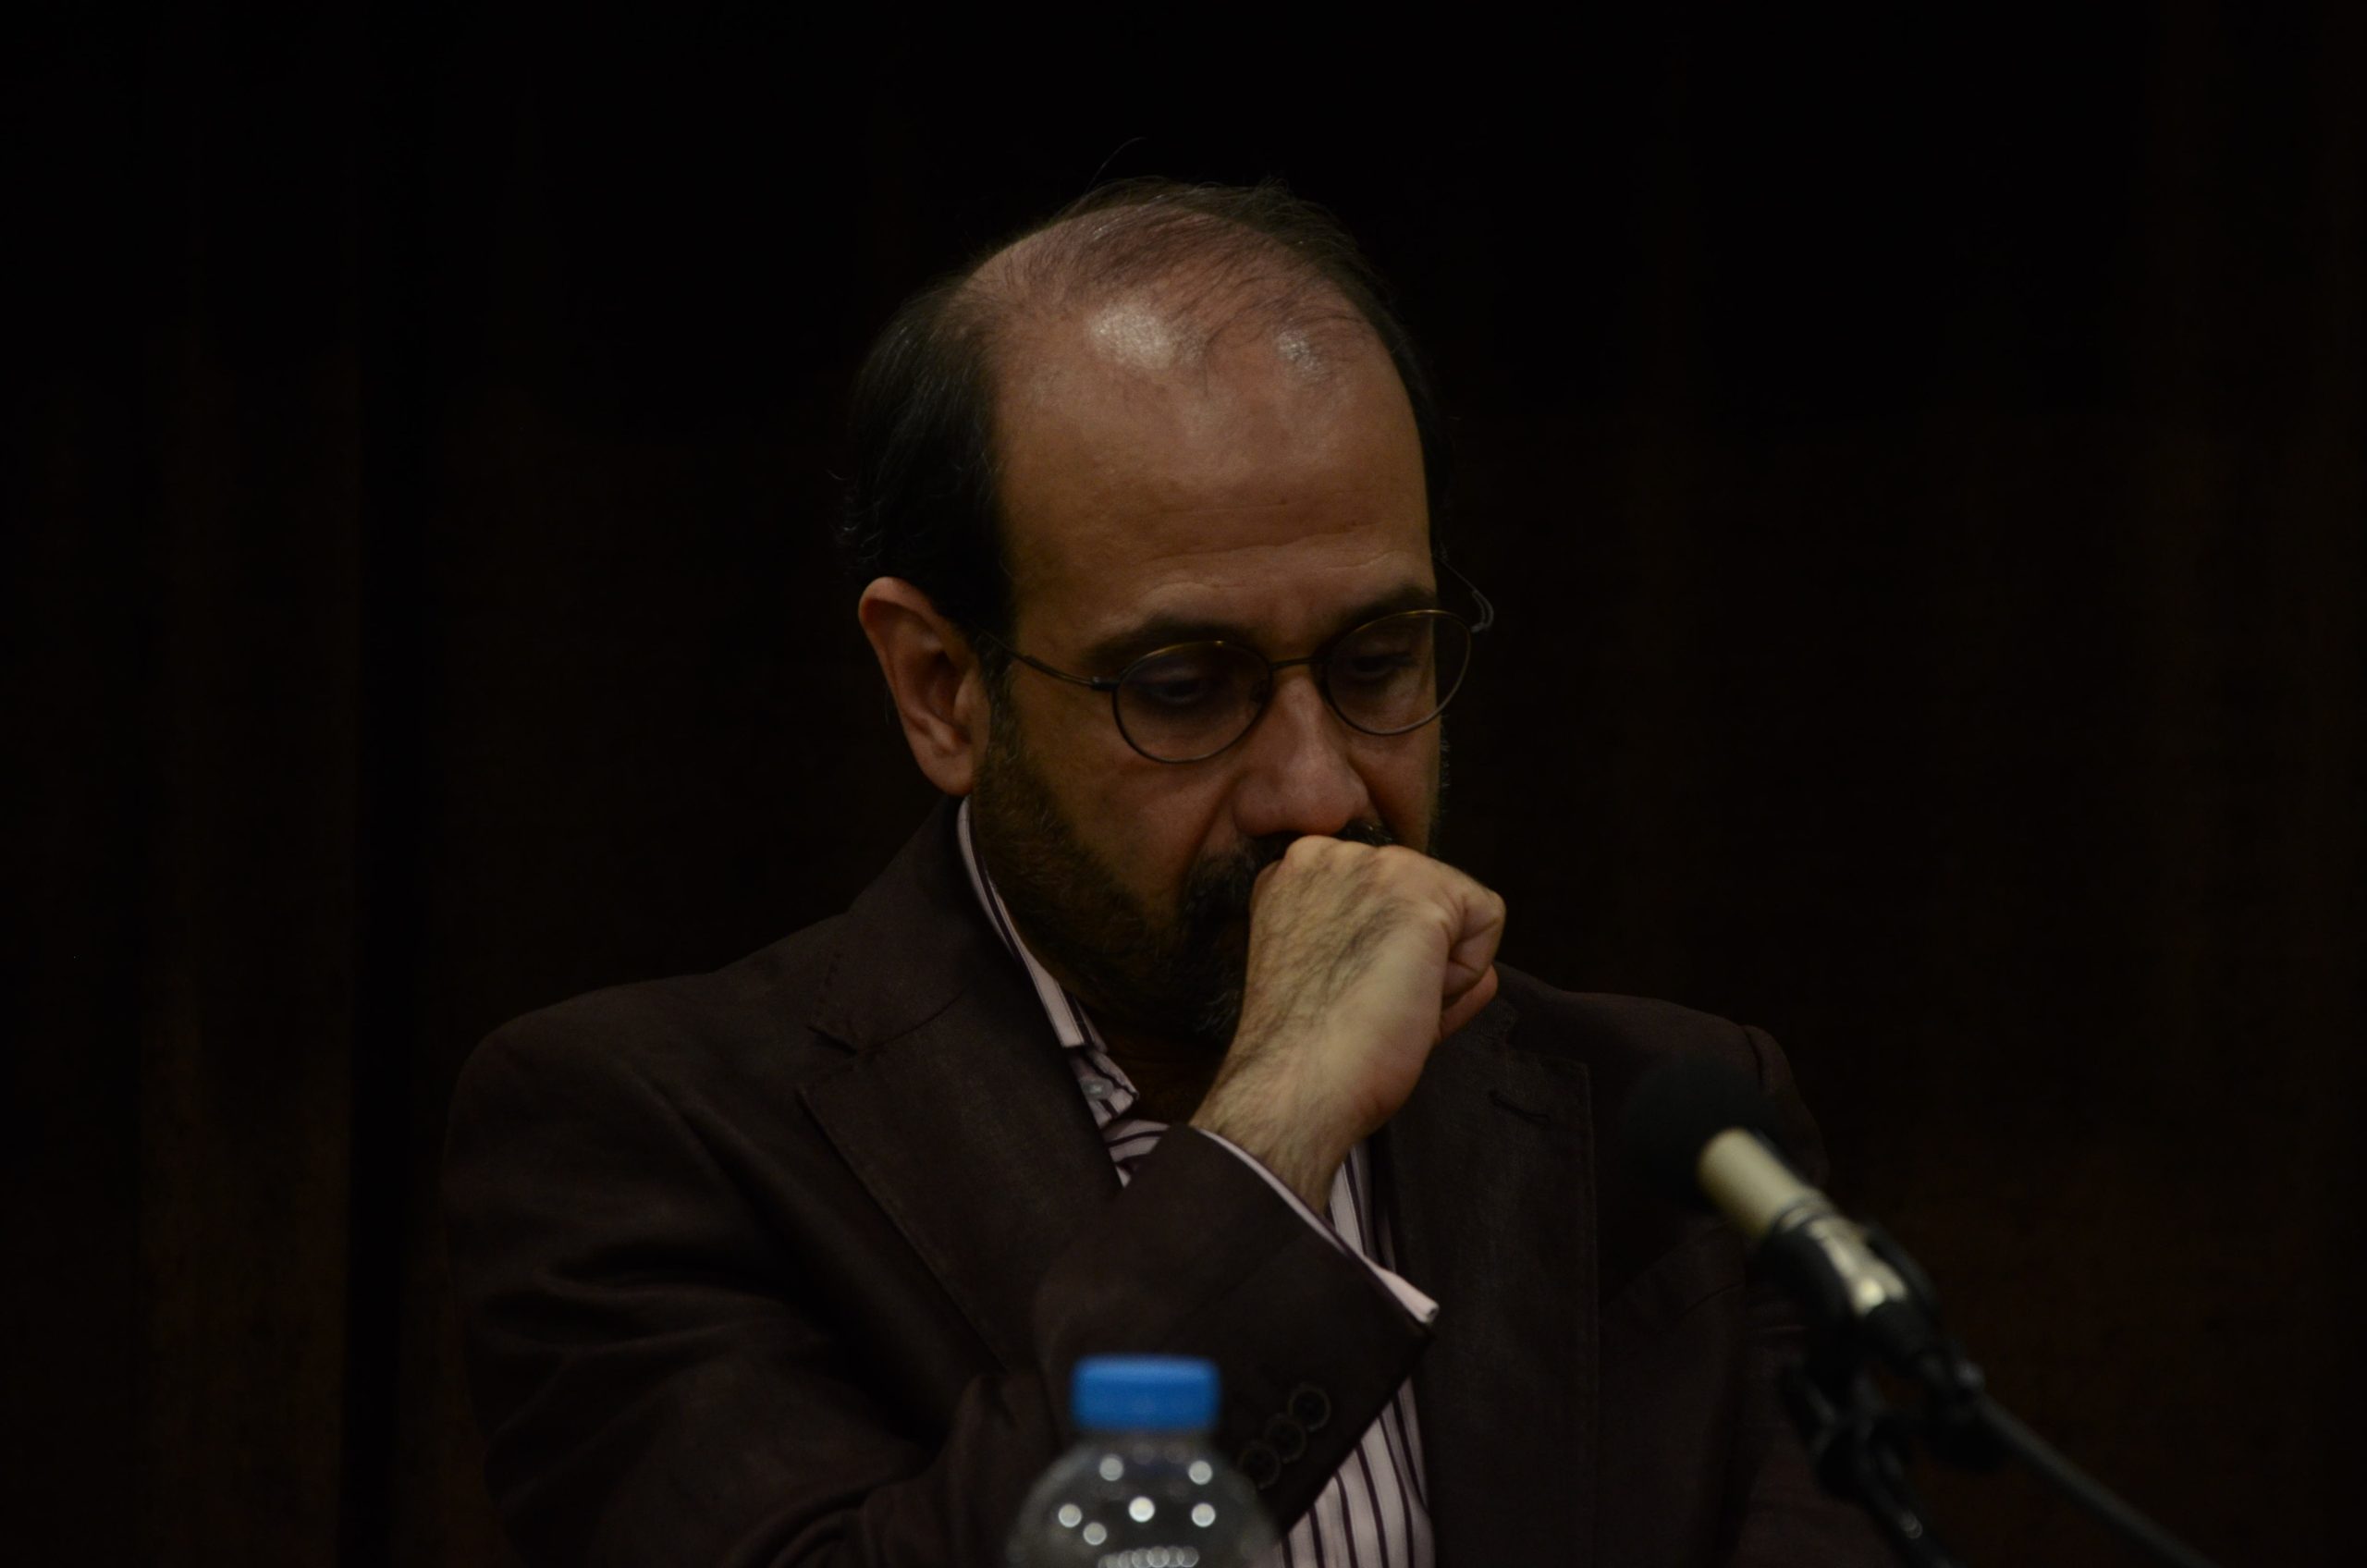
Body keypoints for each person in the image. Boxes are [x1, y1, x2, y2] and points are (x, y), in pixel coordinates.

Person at [443, 179, 1887, 1567]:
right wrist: (1270, 1138)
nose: (1317, 792)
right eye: (1185, 688)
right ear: (941, 687)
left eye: (1380, 661)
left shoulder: (1683, 1131)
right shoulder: (645, 1141)